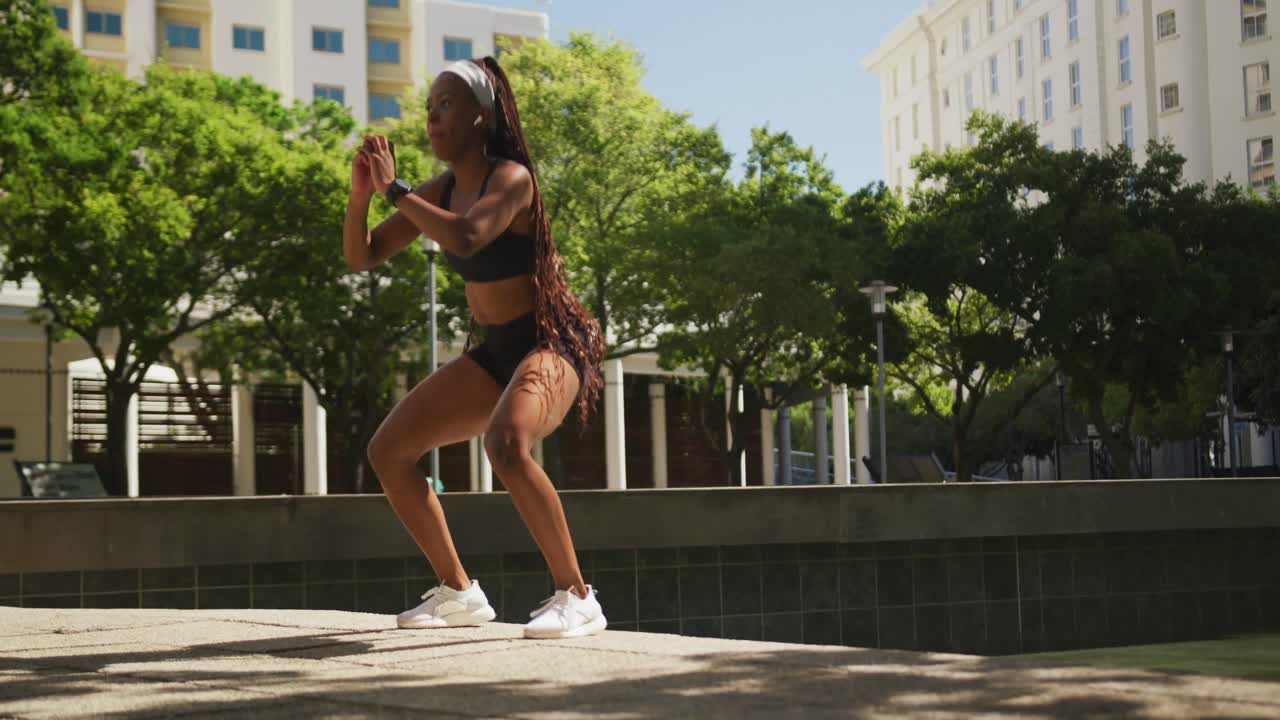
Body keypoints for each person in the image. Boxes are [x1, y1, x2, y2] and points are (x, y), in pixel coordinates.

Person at [343, 56, 607, 640]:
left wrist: (395, 188)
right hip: (495, 353)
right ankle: (459, 592)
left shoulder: (511, 178)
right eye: (430, 106)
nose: (433, 117)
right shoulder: (440, 190)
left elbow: (466, 234)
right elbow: (361, 257)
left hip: (554, 344)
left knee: (506, 443)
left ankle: (578, 597)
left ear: (481, 116)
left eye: (446, 104)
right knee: (388, 451)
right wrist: (364, 195)